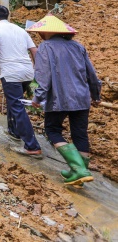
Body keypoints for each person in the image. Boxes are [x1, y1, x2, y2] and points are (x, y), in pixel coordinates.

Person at [27, 15, 102, 186]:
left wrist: (37, 97)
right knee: (80, 134)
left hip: (59, 98)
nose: (39, 34)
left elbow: (43, 77)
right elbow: (92, 74)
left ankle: (79, 170)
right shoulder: (78, 46)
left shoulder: (46, 47)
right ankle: (79, 173)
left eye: (41, 31)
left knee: (52, 129)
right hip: (81, 99)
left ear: (49, 31)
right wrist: (95, 95)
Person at [0, 5, 42, 158]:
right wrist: (37, 72)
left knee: (17, 107)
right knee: (15, 103)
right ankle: (14, 132)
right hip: (28, 73)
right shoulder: (20, 30)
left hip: (11, 74)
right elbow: (35, 51)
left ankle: (32, 146)